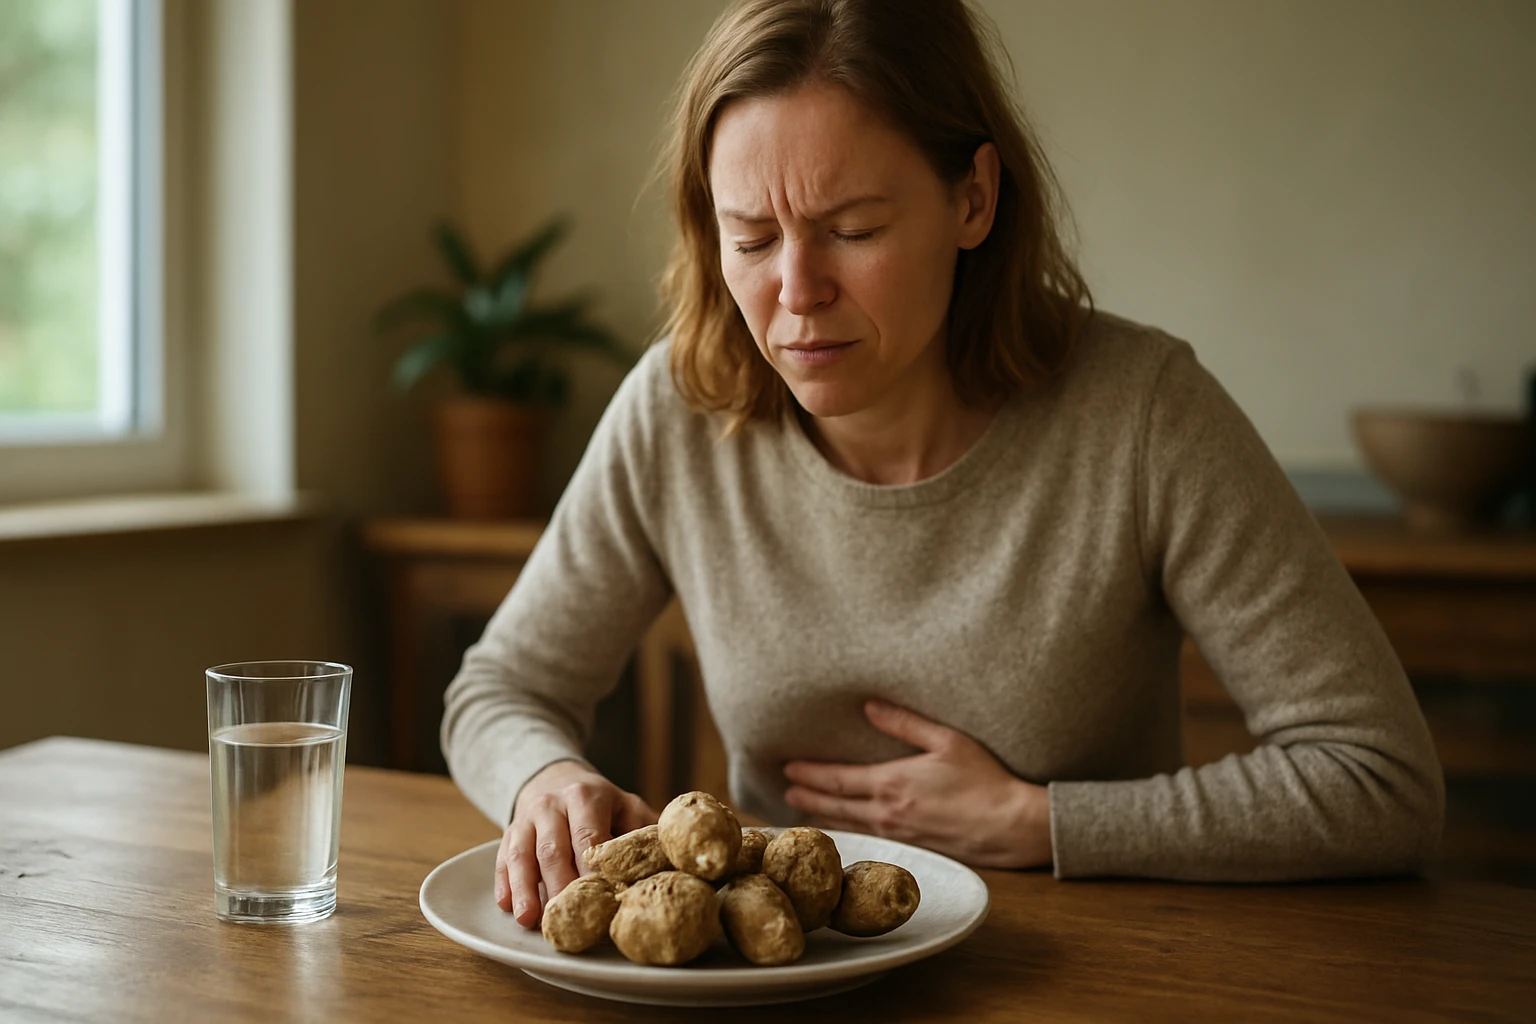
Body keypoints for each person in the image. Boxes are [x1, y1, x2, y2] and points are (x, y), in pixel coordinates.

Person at [442, 0, 1444, 930]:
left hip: (1099, 964)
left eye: (852, 230)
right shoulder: (678, 407)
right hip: (789, 979)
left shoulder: (1145, 414)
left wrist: (1043, 823)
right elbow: (500, 689)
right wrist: (543, 780)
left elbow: (1380, 780)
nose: (796, 292)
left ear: (974, 198)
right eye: (749, 237)